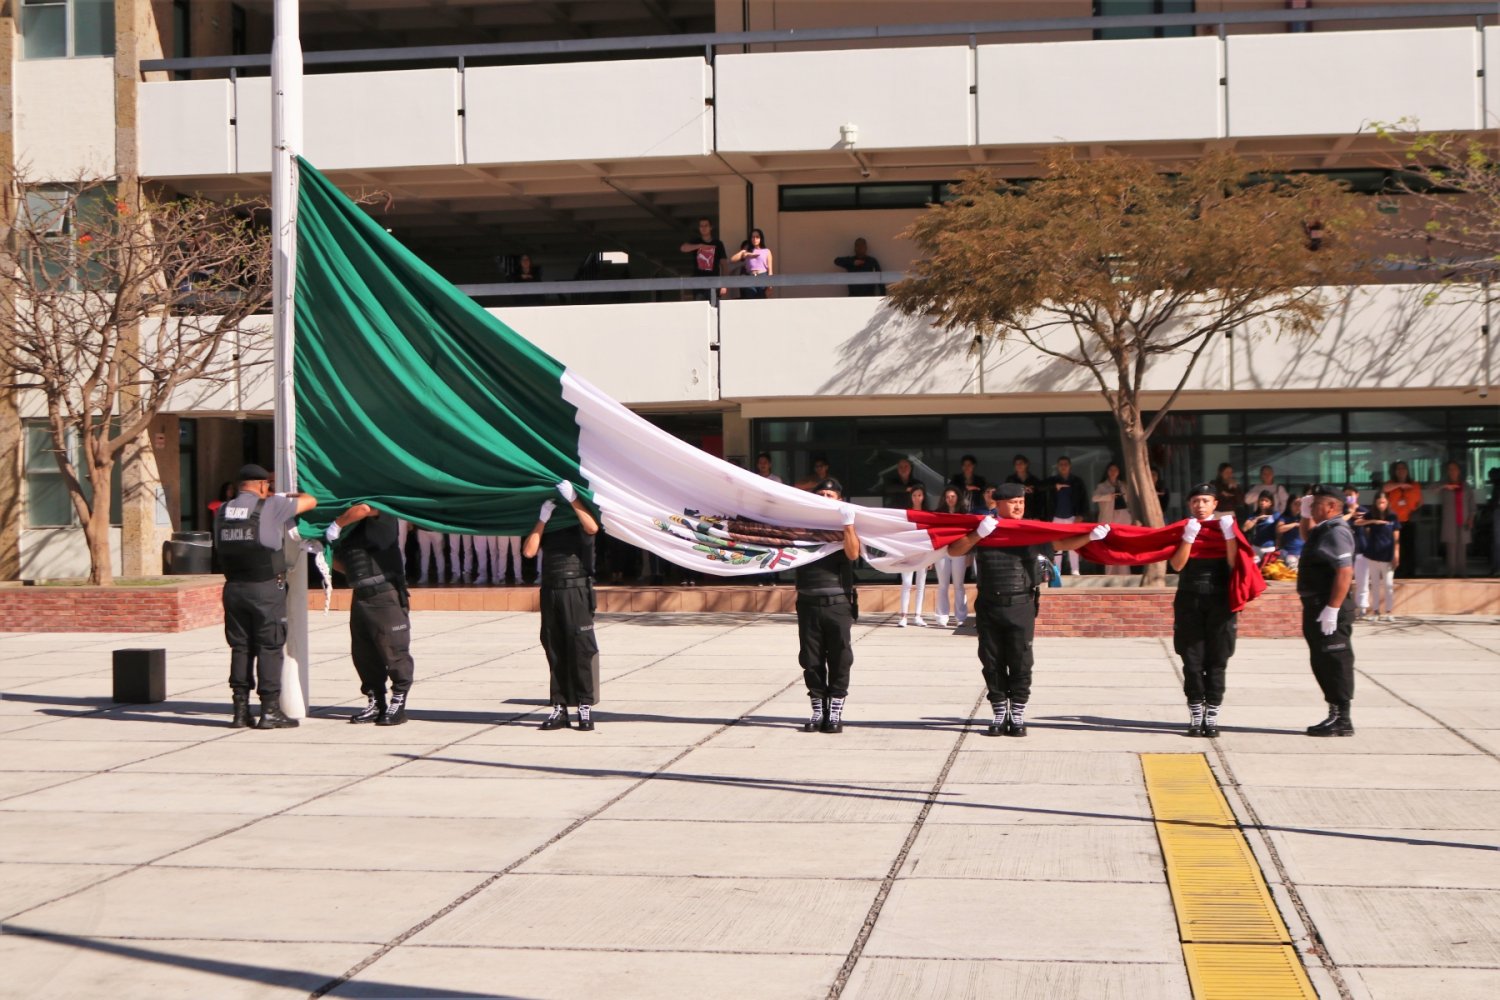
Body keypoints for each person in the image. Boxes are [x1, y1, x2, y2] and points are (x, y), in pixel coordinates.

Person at [948, 484, 1098, 737]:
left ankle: (1017, 713)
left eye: (1021, 501)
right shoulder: (985, 528)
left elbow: (1062, 541)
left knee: (1021, 662)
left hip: (1021, 604)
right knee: (992, 661)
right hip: (990, 605)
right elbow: (954, 549)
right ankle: (999, 713)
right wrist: (978, 534)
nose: (1018, 506)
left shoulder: (1031, 531)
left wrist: (1090, 536)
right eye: (1013, 502)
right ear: (998, 504)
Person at [213, 463, 317, 729]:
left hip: (234, 589)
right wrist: (283, 495)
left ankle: (240, 711)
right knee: (269, 646)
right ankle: (270, 711)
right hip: (265, 589)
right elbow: (311, 501)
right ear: (261, 485)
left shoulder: (222, 510)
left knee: (241, 647)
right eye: (267, 485)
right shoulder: (270, 505)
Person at [325, 503, 415, 726]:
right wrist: (325, 551)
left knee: (394, 651)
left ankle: (398, 702)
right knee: (363, 654)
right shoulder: (351, 530)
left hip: (385, 594)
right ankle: (376, 702)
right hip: (361, 595)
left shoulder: (382, 511)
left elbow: (366, 508)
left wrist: (337, 524)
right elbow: (345, 564)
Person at [523, 482, 602, 731]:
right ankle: (559, 707)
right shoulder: (549, 523)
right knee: (554, 647)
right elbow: (529, 551)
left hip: (575, 590)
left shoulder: (579, 520)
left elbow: (592, 527)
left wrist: (573, 498)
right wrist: (542, 519)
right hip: (551, 590)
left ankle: (584, 705)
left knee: (581, 648)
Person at [1169, 484, 1240, 738]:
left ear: (1215, 504)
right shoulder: (1184, 529)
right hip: (1190, 600)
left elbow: (1234, 563)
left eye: (1205, 500)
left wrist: (1229, 535)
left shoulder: (1225, 528)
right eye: (1195, 501)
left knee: (1218, 660)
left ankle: (1212, 715)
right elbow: (1177, 565)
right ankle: (1196, 713)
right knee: (1192, 661)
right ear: (1190, 504)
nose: (1200, 505)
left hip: (1220, 600)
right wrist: (1188, 537)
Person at [795, 478, 861, 734]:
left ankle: (835, 710)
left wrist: (848, 523)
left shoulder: (847, 525)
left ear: (839, 500)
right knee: (810, 660)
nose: (824, 498)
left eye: (829, 495)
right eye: (820, 494)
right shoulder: (802, 526)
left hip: (838, 603)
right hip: (808, 602)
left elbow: (853, 554)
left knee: (840, 658)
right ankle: (817, 709)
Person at [1297, 485, 1359, 737]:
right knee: (1322, 661)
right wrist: (1304, 514)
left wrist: (1332, 608)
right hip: (1316, 606)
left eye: (1315, 504)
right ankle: (1334, 714)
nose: (1312, 508)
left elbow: (1345, 571)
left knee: (1335, 660)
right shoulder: (1324, 529)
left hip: (1329, 606)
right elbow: (1307, 536)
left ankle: (1342, 719)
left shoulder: (1337, 532)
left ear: (1332, 506)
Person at [1354, 492, 1399, 621]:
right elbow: (1357, 522)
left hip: (1387, 555)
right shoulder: (1371, 514)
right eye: (1379, 503)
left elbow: (1396, 537)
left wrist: (1396, 554)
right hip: (1373, 555)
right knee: (1375, 584)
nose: (1381, 505)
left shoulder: (1392, 516)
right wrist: (1373, 521)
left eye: (1383, 502)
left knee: (1388, 584)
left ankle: (1389, 611)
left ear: (1387, 502)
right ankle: (1376, 611)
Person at [1044, 456, 1088, 576]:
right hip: (1056, 517)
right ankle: (1056, 570)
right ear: (1058, 467)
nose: (1063, 466)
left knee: (1073, 544)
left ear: (1070, 466)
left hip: (1072, 517)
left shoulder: (1077, 481)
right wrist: (1054, 486)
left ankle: (1075, 570)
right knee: (1057, 545)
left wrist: (1081, 515)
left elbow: (1084, 499)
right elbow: (1041, 487)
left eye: (1065, 464)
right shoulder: (1053, 480)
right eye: (1061, 464)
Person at [934, 486, 970, 628]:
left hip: (959, 551)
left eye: (953, 496)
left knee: (958, 585)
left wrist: (968, 553)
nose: (950, 499)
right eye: (947, 497)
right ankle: (942, 617)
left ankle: (961, 617)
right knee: (943, 585)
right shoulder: (938, 514)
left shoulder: (964, 513)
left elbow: (969, 535)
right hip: (942, 552)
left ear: (958, 497)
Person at [1092, 462, 1134, 576]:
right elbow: (1094, 498)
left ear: (1119, 472)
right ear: (1107, 471)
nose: (1113, 472)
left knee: (1122, 546)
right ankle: (1110, 574)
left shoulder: (1123, 485)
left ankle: (1125, 574)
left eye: (1115, 470)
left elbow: (1130, 500)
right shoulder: (1102, 486)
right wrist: (1109, 497)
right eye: (1111, 470)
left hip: (1124, 516)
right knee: (1109, 546)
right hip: (1109, 517)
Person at [898, 483, 931, 627]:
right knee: (906, 583)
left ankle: (918, 615)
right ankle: (903, 616)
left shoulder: (927, 514)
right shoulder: (906, 513)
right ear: (910, 497)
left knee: (920, 584)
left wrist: (930, 556)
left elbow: (930, 536)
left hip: (923, 551)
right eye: (914, 495)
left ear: (923, 497)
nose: (917, 498)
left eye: (920, 495)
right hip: (908, 551)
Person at [1383, 461, 1423, 578]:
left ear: (1407, 471)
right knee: (1396, 548)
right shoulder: (1391, 484)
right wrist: (1400, 485)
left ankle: (1410, 573)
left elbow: (1421, 501)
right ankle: (1397, 573)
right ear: (1395, 471)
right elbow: (1384, 489)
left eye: (1403, 468)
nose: (1401, 471)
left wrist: (1413, 509)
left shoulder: (1414, 485)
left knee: (1409, 548)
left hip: (1409, 520)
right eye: (1398, 469)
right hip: (1395, 522)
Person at [1436, 460, 1476, 577]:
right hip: (1450, 522)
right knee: (1451, 548)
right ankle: (1451, 573)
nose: (1452, 471)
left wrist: (1471, 518)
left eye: (1454, 469)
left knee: (1462, 548)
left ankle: (1462, 572)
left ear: (1459, 471)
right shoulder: (1443, 485)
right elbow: (1431, 490)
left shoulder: (1466, 486)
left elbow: (1472, 505)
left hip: (1464, 521)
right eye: (1450, 469)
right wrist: (1445, 486)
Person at [680, 216, 727, 301]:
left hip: (714, 282)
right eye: (701, 226)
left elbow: (724, 264)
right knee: (700, 306)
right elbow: (683, 248)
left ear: (711, 227)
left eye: (706, 225)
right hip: (698, 283)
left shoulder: (718, 243)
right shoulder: (696, 241)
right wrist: (700, 246)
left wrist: (724, 284)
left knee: (713, 306)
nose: (704, 228)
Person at [730, 228, 773, 299]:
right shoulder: (747, 251)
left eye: (757, 237)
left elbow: (770, 270)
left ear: (761, 238)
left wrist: (770, 285)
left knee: (761, 300)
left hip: (762, 277)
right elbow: (732, 259)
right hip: (750, 277)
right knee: (750, 299)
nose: (755, 239)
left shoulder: (767, 251)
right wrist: (744, 253)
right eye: (753, 237)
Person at [1242, 493, 1282, 561]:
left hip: (1269, 548)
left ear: (1271, 503)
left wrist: (1278, 547)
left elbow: (1279, 532)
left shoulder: (1276, 515)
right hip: (1256, 548)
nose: (1263, 502)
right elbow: (1244, 528)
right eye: (1261, 500)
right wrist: (1257, 519)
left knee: (1268, 567)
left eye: (1266, 501)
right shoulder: (1254, 515)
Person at [1004, 454, 1045, 520]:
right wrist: (1021, 489)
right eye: (1016, 464)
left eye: (1021, 463)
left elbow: (1039, 499)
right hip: (1014, 513)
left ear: (1026, 464)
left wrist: (1037, 516)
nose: (1018, 466)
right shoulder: (1010, 479)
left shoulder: (1034, 480)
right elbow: (1005, 494)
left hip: (1031, 515)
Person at [1277, 494, 1306, 567]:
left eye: (1300, 504)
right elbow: (1279, 529)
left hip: (1302, 553)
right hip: (1289, 552)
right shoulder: (1284, 517)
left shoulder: (1304, 517)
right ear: (1289, 504)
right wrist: (1295, 524)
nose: (1298, 507)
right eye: (1295, 504)